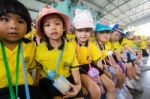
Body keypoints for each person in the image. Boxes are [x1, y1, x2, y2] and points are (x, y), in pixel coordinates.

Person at [0, 0, 47, 99]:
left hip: (25, 89)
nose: (13, 26)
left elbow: (29, 70)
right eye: (5, 19)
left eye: (20, 21)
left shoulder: (30, 46)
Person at [35, 5, 83, 99]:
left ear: (64, 28)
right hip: (49, 81)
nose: (53, 28)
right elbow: (38, 69)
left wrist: (78, 86)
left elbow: (74, 68)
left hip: (67, 79)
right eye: (47, 25)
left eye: (57, 24)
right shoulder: (39, 49)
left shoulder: (70, 47)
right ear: (43, 31)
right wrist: (35, 87)